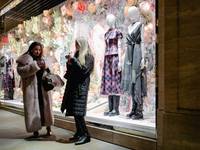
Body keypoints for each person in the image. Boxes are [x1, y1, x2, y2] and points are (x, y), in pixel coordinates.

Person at [61, 37, 94, 145]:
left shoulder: (88, 56)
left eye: (78, 43)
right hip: (74, 86)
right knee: (75, 111)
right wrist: (70, 63)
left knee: (79, 113)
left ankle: (86, 134)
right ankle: (79, 132)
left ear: (83, 44)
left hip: (81, 87)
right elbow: (72, 70)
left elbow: (84, 71)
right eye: (75, 43)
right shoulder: (77, 55)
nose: (76, 45)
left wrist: (73, 61)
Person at [16, 41, 54, 137]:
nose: (38, 52)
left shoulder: (44, 59)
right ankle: (35, 129)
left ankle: (48, 126)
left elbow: (51, 72)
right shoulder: (24, 60)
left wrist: (46, 67)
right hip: (31, 89)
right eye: (36, 49)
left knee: (44, 107)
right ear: (31, 49)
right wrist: (35, 65)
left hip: (43, 88)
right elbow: (21, 71)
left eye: (39, 50)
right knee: (34, 108)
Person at [120, 6, 147, 120]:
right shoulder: (128, 27)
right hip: (129, 54)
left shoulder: (140, 25)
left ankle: (139, 110)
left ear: (137, 14)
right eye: (129, 13)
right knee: (131, 80)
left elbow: (143, 42)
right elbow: (127, 43)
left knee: (137, 79)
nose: (131, 16)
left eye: (133, 13)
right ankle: (133, 108)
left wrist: (143, 59)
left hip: (137, 52)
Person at [100, 14, 123, 116]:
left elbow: (120, 46)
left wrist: (120, 61)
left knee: (115, 81)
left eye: (110, 19)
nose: (108, 21)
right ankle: (110, 108)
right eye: (107, 19)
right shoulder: (106, 33)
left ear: (114, 20)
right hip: (107, 57)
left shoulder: (117, 32)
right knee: (108, 81)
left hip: (115, 57)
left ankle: (115, 109)